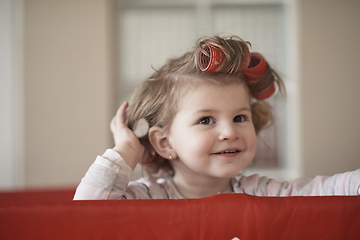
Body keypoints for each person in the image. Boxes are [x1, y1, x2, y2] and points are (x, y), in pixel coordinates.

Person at [74, 35, 360, 200]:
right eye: (206, 120)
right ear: (164, 143)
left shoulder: (260, 192)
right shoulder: (146, 197)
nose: (230, 132)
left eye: (239, 117)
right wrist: (126, 149)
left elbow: (326, 191)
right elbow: (87, 213)